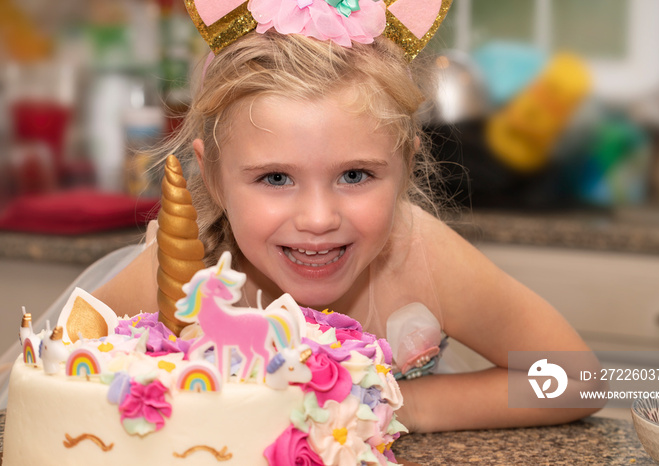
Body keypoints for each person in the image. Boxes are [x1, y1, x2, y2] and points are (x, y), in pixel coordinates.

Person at [94, 0, 600, 433]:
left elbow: (579, 378)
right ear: (215, 179)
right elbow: (39, 384)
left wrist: (394, 405)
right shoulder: (182, 276)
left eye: (355, 175)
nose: (318, 219)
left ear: (403, 168)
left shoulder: (422, 257)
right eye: (275, 178)